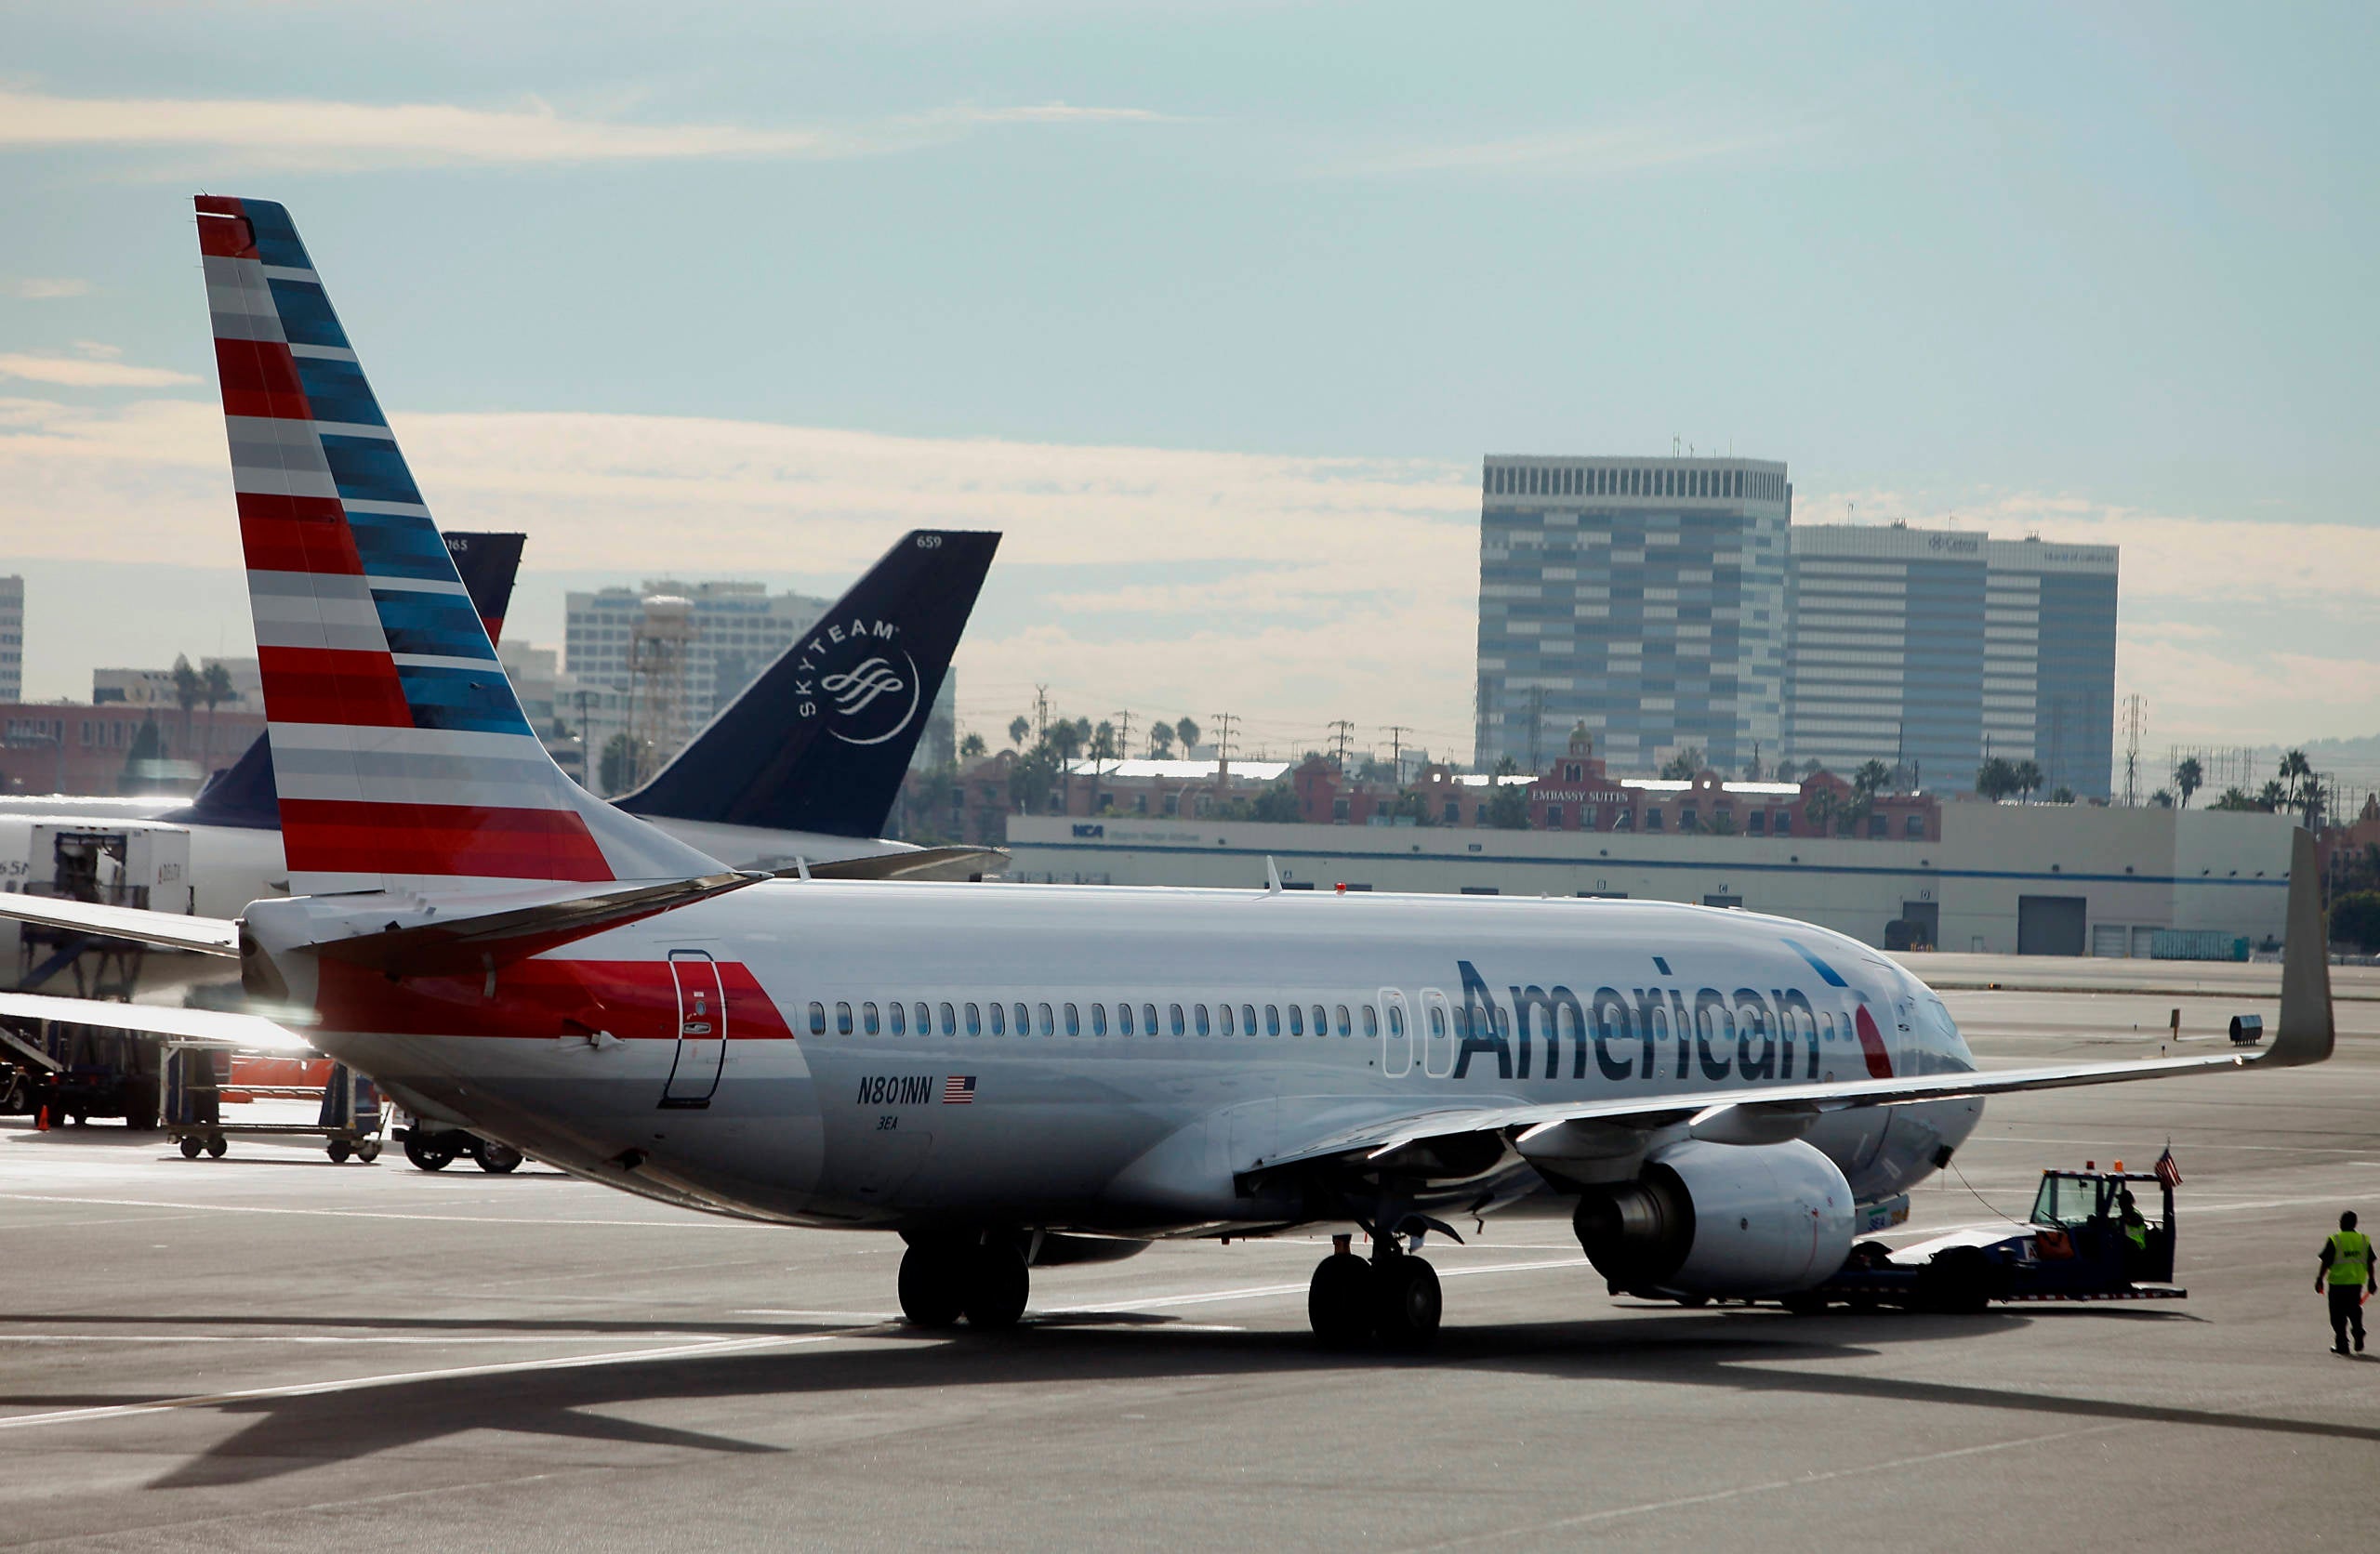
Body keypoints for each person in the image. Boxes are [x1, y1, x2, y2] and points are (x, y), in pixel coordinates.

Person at [2316, 1210, 2372, 1356]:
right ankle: (2358, 1331)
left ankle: (2342, 1344)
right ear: (2355, 1224)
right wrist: (2372, 1280)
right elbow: (2370, 1261)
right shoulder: (2363, 1239)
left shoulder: (2336, 1239)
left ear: (2341, 1223)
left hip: (2338, 1284)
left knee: (2337, 1315)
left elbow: (2326, 1261)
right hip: (2356, 1283)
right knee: (2354, 1310)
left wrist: (2320, 1279)